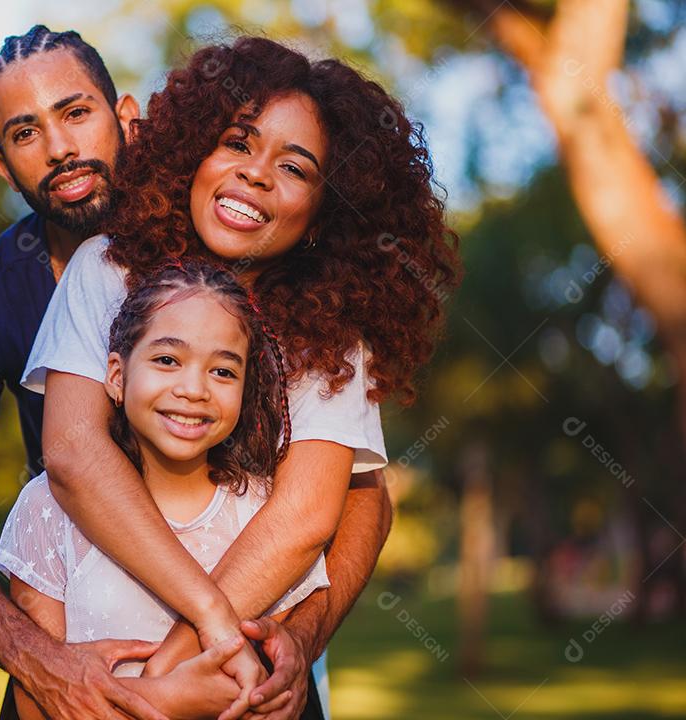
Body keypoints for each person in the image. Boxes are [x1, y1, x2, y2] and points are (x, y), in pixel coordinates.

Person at [0, 25, 393, 720]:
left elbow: (346, 504)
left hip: (252, 631)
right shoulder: (66, 276)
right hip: (87, 613)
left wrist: (278, 641)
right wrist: (56, 668)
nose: (60, 147)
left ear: (127, 118)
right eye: (25, 132)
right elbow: (44, 469)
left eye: (75, 112)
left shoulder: (325, 322)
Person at [23, 36, 462, 718]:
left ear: (320, 216)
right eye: (237, 142)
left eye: (294, 167)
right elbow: (74, 452)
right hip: (96, 659)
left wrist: (164, 676)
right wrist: (203, 625)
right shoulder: (106, 267)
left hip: (245, 683)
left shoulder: (331, 337)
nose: (255, 175)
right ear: (193, 156)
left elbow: (307, 517)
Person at [0, 260, 330, 720]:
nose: (194, 389)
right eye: (167, 360)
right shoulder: (48, 510)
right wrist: (168, 700)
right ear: (116, 376)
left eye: (223, 371)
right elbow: (35, 701)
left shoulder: (261, 515)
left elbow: (266, 692)